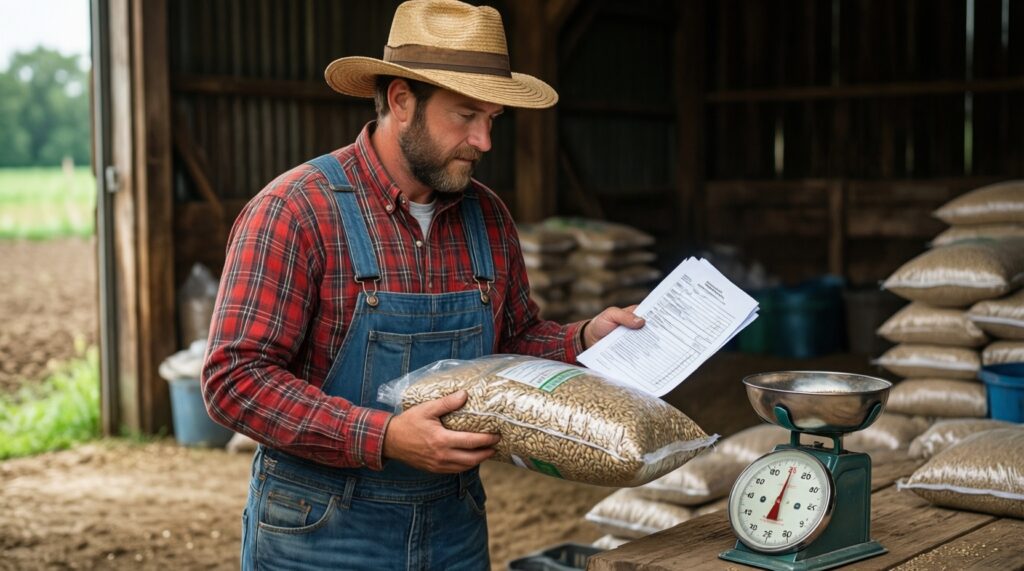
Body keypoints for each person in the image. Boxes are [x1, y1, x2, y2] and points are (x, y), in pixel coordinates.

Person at [201, 1, 644, 569]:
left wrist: (583, 339)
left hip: (454, 526)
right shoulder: (297, 210)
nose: (483, 141)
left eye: (492, 119)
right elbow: (233, 380)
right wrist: (382, 436)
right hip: (320, 530)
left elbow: (511, 347)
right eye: (465, 115)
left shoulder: (488, 217)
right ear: (401, 101)